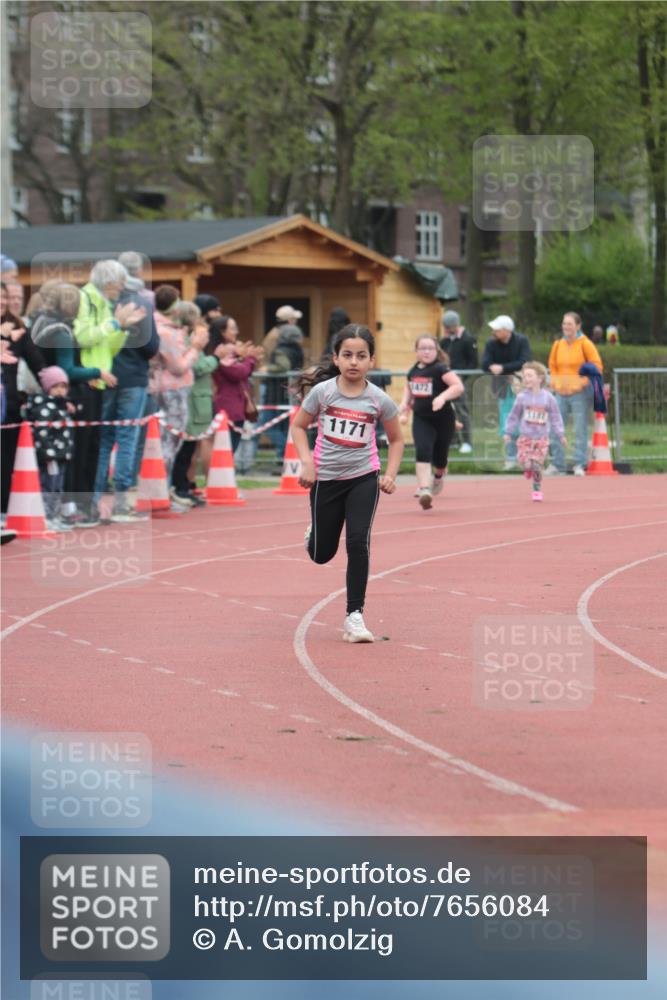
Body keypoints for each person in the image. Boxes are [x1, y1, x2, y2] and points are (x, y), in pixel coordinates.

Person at [291, 324, 404, 644]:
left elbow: (396, 440)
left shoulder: (379, 399)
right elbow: (299, 427)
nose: (354, 362)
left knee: (358, 542)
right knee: (321, 554)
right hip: (325, 479)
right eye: (348, 355)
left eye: (361, 356)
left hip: (363, 477)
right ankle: (313, 534)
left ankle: (354, 616)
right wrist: (308, 463)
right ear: (336, 359)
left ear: (371, 361)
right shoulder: (323, 392)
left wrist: (390, 474)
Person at [71, 260, 145, 525]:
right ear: (110, 282)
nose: (122, 288)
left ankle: (91, 506)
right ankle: (81, 506)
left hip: (101, 380)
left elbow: (109, 348)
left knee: (94, 446)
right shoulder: (86, 299)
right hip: (87, 380)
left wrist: (121, 328)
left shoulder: (103, 302)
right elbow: (83, 337)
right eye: (121, 282)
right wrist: (114, 324)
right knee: (86, 448)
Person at [92, 262, 159, 521]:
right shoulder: (141, 303)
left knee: (104, 438)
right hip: (132, 377)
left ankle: (95, 500)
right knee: (127, 437)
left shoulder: (98, 302)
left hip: (103, 375)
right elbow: (151, 347)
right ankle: (121, 501)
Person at [150, 286, 207, 499]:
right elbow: (179, 366)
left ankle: (164, 490)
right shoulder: (165, 332)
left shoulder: (166, 329)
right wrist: (196, 347)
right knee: (169, 443)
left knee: (169, 442)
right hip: (171, 389)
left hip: (166, 388)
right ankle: (161, 492)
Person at [399, 335, 463, 509]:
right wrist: (404, 403)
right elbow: (409, 387)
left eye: (430, 348)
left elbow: (458, 386)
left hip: (443, 419)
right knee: (423, 449)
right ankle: (424, 489)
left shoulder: (440, 369)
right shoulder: (413, 371)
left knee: (440, 458)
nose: (426, 352)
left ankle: (440, 474)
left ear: (437, 351)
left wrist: (442, 398)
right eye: (422, 348)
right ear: (416, 351)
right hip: (422, 418)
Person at [1, 281, 45, 518]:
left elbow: (36, 362)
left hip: (9, 405)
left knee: (7, 459)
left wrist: (56, 386)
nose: (2, 302)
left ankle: (4, 510)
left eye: (4, 298)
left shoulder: (18, 328)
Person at [546, 312, 603, 477]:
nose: (566, 327)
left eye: (570, 324)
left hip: (580, 392)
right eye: (564, 324)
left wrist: (581, 383)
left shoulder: (586, 344)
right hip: (560, 392)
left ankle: (579, 463)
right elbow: (553, 365)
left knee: (580, 428)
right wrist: (556, 383)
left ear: (578, 326)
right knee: (555, 428)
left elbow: (597, 366)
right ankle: (557, 464)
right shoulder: (558, 344)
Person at [21, 366, 75, 531]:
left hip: (61, 455)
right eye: (56, 386)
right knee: (48, 486)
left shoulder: (61, 406)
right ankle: (46, 517)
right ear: (47, 388)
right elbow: (42, 433)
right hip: (50, 456)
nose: (60, 391)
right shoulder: (44, 407)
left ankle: (54, 516)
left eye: (63, 387)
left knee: (58, 487)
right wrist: (49, 453)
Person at [503, 362, 566, 502]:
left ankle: (536, 490)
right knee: (526, 464)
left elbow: (556, 417)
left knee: (537, 465)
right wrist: (508, 432)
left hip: (541, 439)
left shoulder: (549, 398)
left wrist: (561, 435)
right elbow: (513, 416)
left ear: (540, 378)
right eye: (524, 376)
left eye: (530, 376)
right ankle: (527, 468)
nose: (526, 379)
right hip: (525, 438)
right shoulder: (521, 398)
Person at [481, 315, 532, 470]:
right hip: (502, 390)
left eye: (497, 329)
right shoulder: (491, 343)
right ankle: (510, 458)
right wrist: (492, 367)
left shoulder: (522, 341)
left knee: (525, 422)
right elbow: (485, 363)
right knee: (507, 423)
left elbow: (525, 361)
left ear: (507, 330)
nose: (494, 331)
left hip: (521, 388)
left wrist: (503, 368)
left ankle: (526, 456)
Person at [211, 318, 264, 453]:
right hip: (227, 407)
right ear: (222, 332)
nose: (237, 332)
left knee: (231, 448)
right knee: (226, 449)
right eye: (233, 328)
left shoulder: (232, 352)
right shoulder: (221, 352)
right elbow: (238, 372)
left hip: (236, 406)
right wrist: (249, 359)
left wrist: (246, 359)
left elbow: (243, 371)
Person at [262, 324, 305, 471]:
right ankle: (285, 456)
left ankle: (285, 452)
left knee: (267, 423)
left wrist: (267, 369)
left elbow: (283, 366)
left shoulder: (280, 350)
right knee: (286, 425)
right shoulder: (298, 350)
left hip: (275, 391)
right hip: (290, 391)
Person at [439, 309, 478, 453]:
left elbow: (473, 363)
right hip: (445, 380)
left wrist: (461, 378)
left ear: (454, 325)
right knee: (447, 410)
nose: (447, 330)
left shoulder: (468, 339)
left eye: (448, 327)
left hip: (460, 381)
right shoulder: (444, 341)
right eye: (446, 328)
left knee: (462, 411)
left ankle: (467, 442)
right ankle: (453, 441)